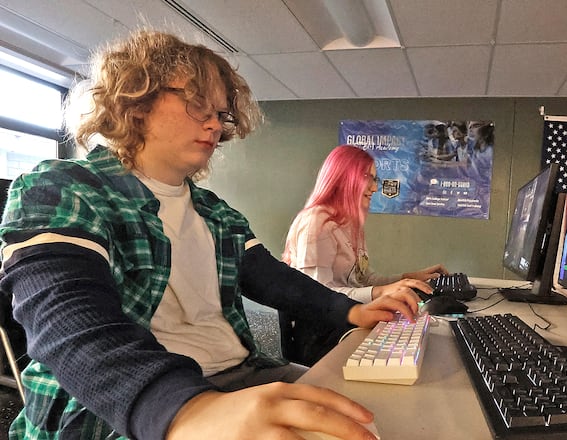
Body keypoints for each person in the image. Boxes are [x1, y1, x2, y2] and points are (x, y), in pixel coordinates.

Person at [0, 30, 421, 440]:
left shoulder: (215, 211)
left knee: (384, 416)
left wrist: (348, 310)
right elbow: (67, 317)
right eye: (198, 105)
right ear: (136, 99)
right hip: (121, 406)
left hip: (239, 377)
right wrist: (183, 409)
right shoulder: (60, 188)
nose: (215, 125)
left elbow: (273, 278)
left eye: (220, 114)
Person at [282, 145, 448, 364]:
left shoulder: (349, 223)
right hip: (318, 333)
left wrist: (408, 278)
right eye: (367, 178)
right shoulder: (317, 222)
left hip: (344, 319)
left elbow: (364, 279)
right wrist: (381, 292)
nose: (374, 188)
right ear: (343, 177)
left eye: (374, 179)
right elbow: (318, 294)